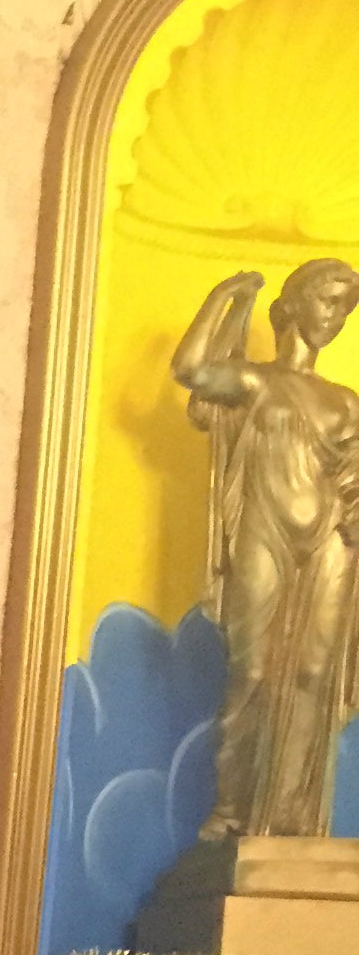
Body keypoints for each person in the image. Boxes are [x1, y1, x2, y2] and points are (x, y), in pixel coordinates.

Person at [171, 257, 359, 842]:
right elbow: (191, 369)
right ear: (294, 303)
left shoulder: (346, 401)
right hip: (264, 533)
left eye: (346, 308)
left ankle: (294, 816)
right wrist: (224, 294)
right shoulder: (254, 381)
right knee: (251, 669)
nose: (337, 317)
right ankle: (233, 809)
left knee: (313, 674)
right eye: (329, 300)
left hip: (330, 543)